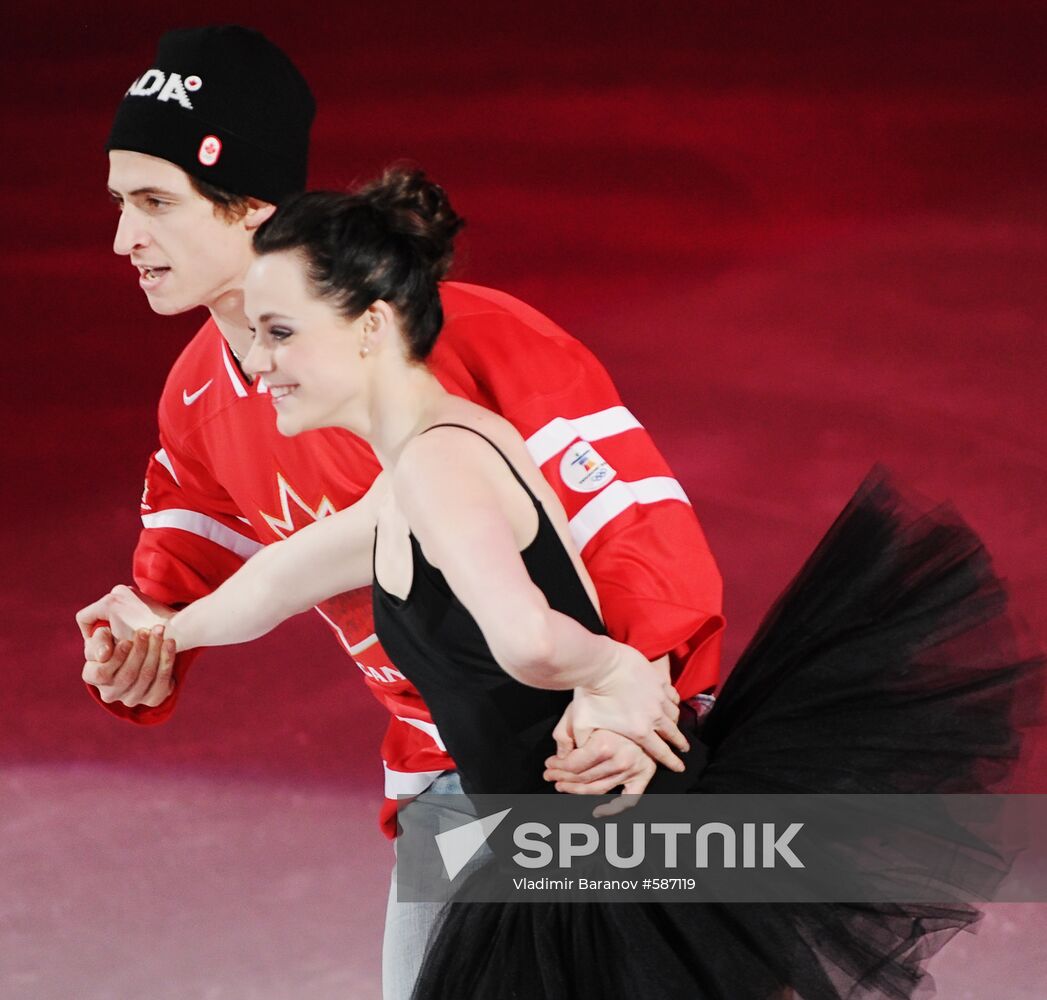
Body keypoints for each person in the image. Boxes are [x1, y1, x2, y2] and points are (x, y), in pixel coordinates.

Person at [97, 168, 1044, 999]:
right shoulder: (406, 487)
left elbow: (529, 641)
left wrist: (617, 675)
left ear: (369, 328)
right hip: (527, 842)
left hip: (590, 844)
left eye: (277, 333)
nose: (254, 364)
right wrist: (156, 631)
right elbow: (267, 585)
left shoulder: (440, 466)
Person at [77, 25, 723, 999]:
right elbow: (219, 583)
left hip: (601, 761)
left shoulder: (467, 347)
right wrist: (146, 642)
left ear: (253, 208)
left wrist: (640, 688)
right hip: (443, 770)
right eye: (121, 202)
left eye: (155, 203)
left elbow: (634, 528)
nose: (124, 237)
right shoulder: (198, 399)